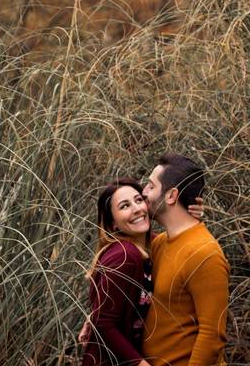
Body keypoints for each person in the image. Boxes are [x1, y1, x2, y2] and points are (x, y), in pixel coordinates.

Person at [142, 154, 229, 366]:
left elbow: (212, 337)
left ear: (171, 196)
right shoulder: (160, 243)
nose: (143, 192)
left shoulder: (204, 254)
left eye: (151, 186)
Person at [81, 178, 154, 366]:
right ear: (113, 224)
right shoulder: (125, 256)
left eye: (139, 200)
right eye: (124, 206)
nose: (137, 209)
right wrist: (140, 364)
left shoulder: (149, 245)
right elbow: (104, 324)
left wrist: (191, 212)